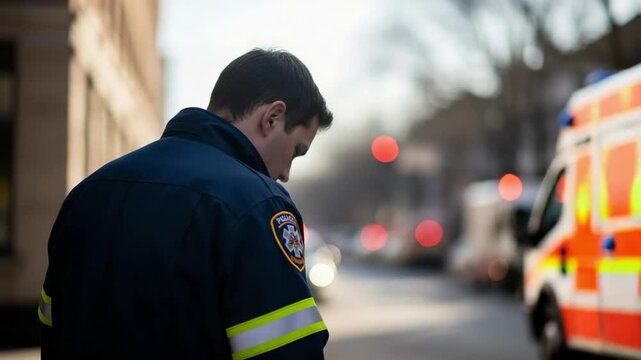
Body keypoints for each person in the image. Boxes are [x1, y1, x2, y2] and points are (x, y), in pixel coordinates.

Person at [39, 48, 333, 359]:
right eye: (296, 151)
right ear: (272, 118)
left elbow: (53, 327)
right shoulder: (256, 205)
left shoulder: (88, 193)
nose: (286, 173)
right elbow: (287, 353)